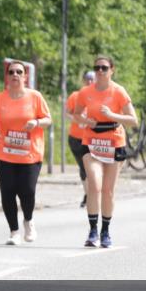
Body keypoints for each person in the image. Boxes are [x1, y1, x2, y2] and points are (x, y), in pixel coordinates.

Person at [0, 60, 52, 245]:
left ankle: (28, 220)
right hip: (5, 154)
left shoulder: (35, 97)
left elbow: (48, 119)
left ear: (25, 76)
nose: (15, 75)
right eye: (11, 72)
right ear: (7, 76)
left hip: (30, 154)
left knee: (27, 191)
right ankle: (14, 231)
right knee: (8, 193)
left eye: (19, 72)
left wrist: (36, 123)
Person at [73, 55, 138, 248]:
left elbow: (133, 119)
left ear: (112, 70)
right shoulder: (85, 92)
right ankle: (93, 230)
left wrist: (112, 115)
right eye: (97, 68)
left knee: (108, 191)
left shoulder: (118, 91)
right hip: (91, 141)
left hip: (114, 142)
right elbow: (76, 115)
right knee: (94, 184)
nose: (100, 71)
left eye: (104, 68)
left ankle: (105, 231)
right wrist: (86, 121)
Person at [66, 70, 96, 208]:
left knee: (92, 167)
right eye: (87, 79)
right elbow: (67, 113)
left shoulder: (98, 97)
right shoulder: (75, 96)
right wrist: (78, 121)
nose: (89, 82)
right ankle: (88, 195)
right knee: (83, 166)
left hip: (93, 139)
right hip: (76, 138)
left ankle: (91, 194)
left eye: (92, 79)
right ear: (83, 80)